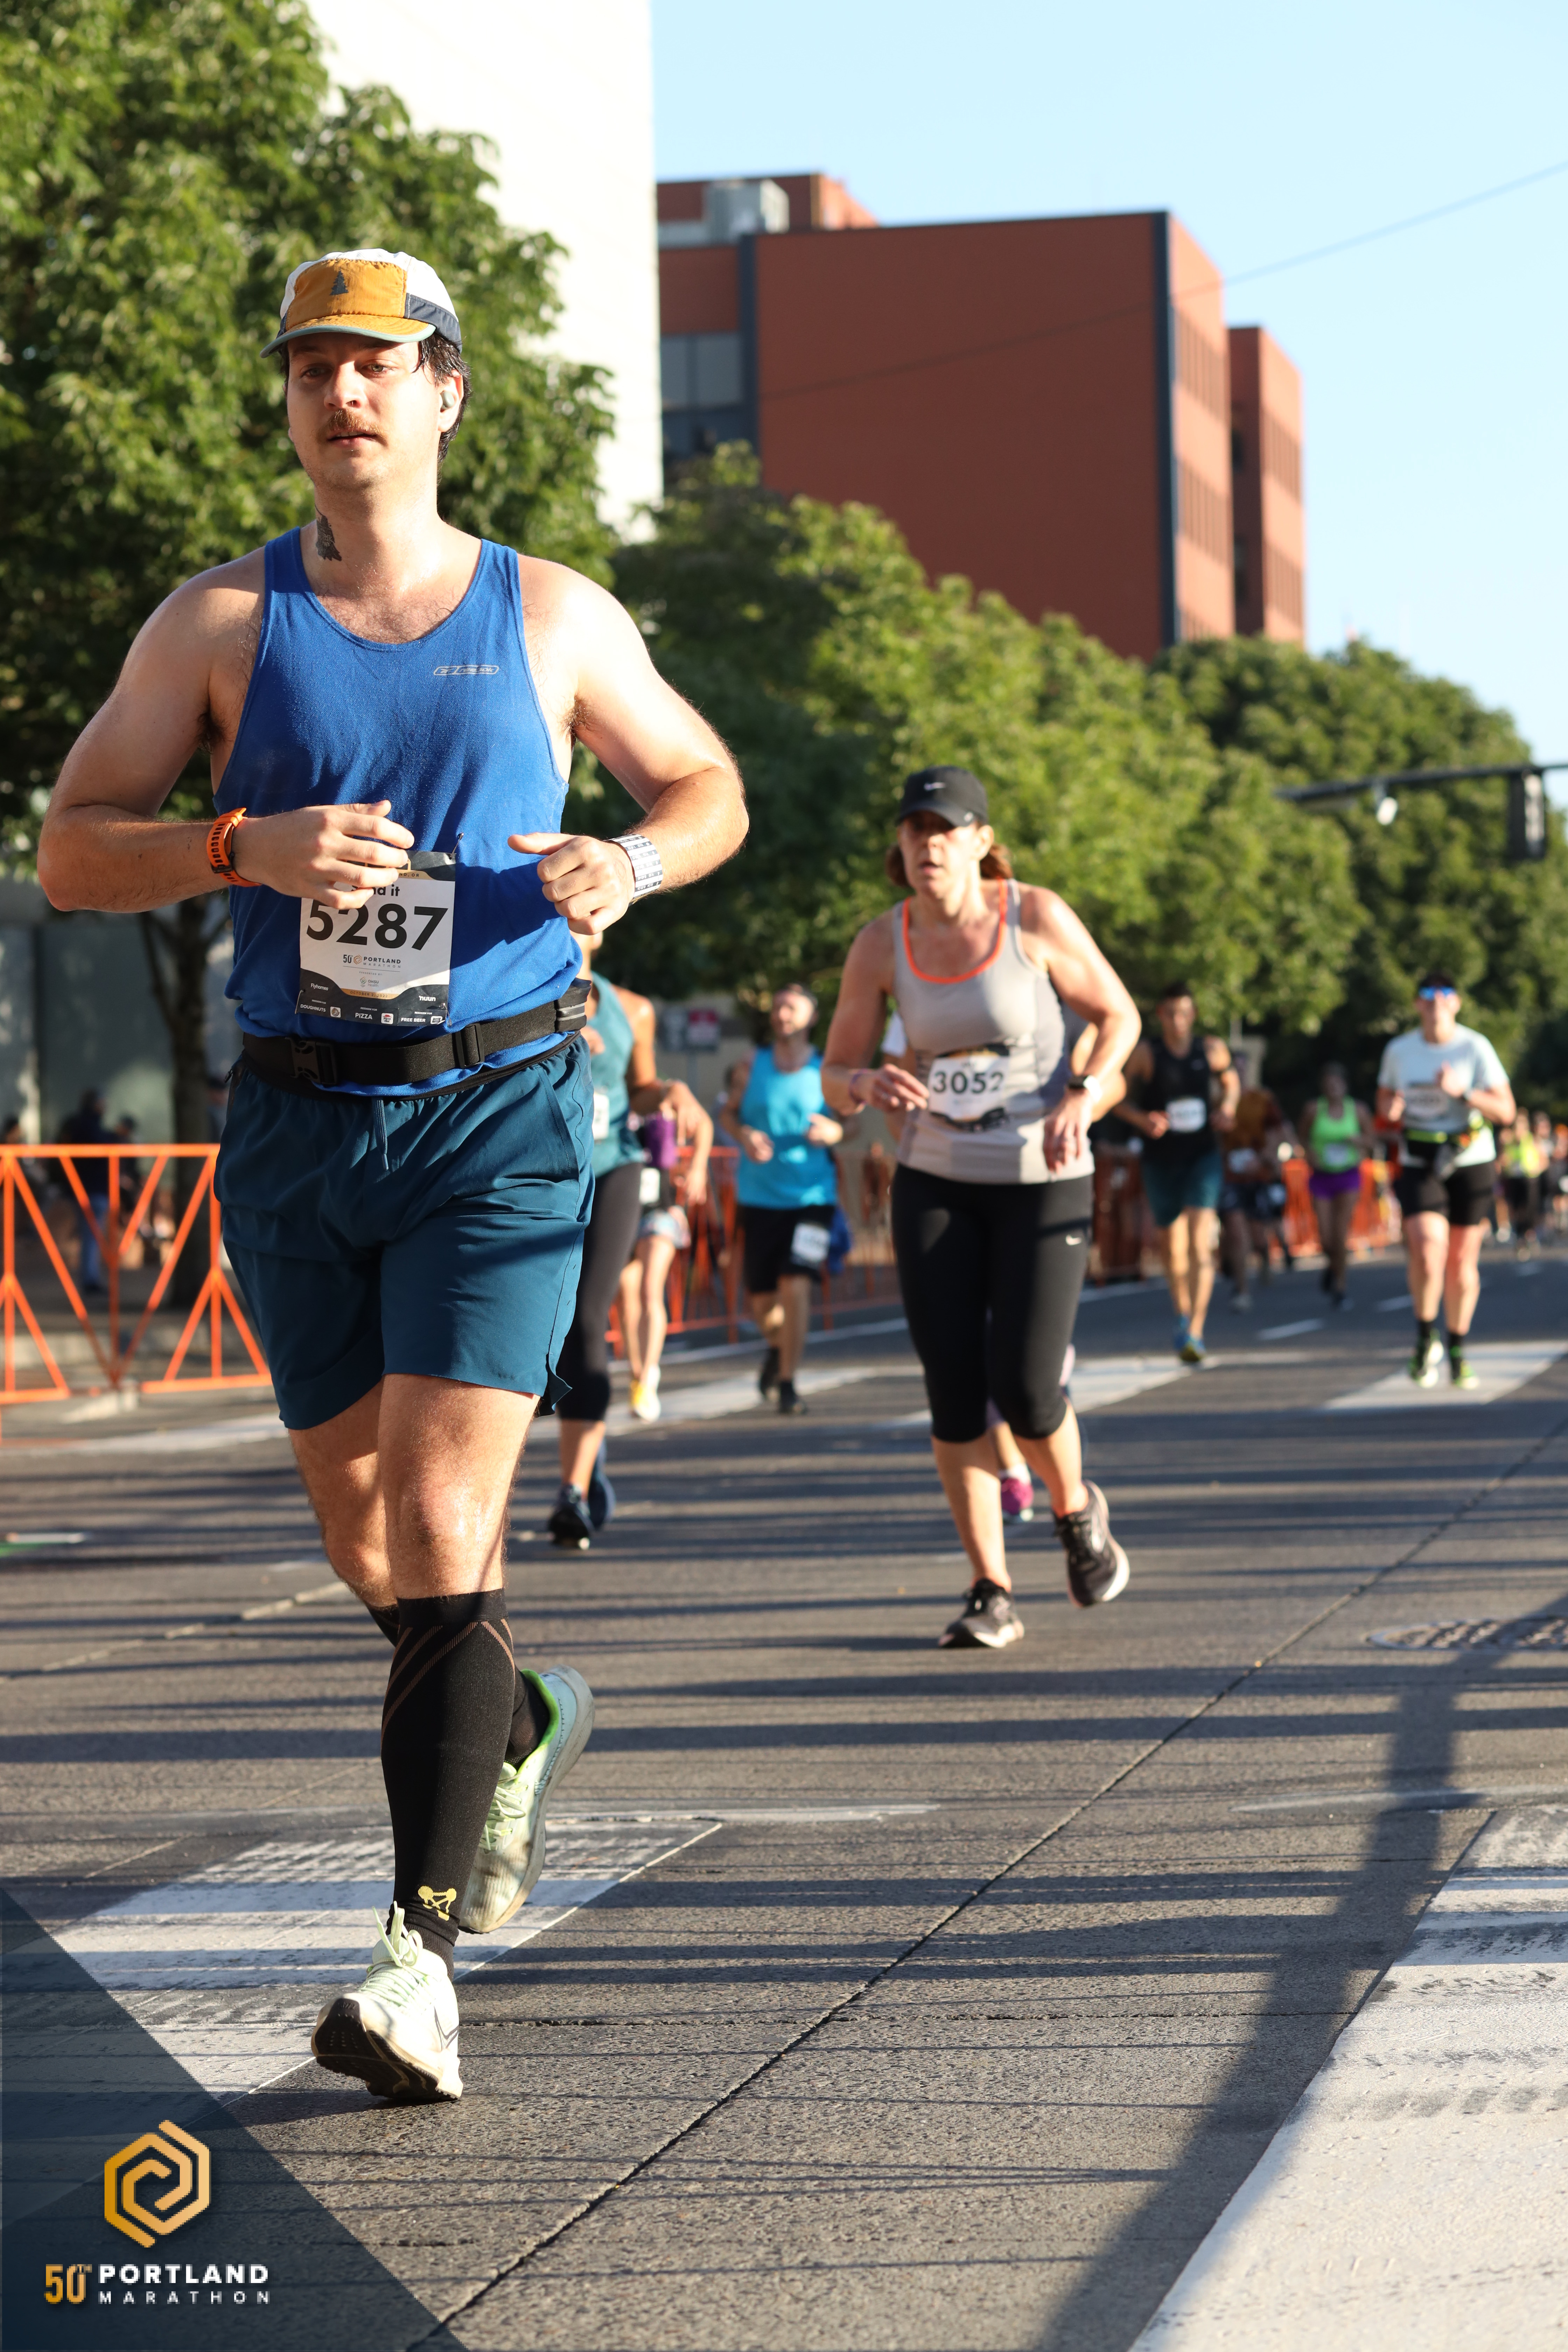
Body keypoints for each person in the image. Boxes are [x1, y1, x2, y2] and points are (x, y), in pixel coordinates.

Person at [38, 245, 747, 2103]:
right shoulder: (218, 623)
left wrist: (629, 864)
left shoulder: (551, 612)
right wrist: (238, 845)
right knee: (369, 1542)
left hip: (499, 1111)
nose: (341, 394)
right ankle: (516, 1711)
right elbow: (71, 852)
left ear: (444, 393)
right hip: (294, 1120)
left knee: (440, 1522)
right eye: (312, 369)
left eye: (378, 364)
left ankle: (415, 1960)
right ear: (288, 404)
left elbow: (706, 788)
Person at [822, 765, 1139, 1649]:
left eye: (945, 829)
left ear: (980, 843)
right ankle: (989, 1589)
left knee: (1027, 1389)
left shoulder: (1034, 916)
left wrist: (1083, 1092)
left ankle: (1076, 1513)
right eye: (913, 829)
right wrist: (863, 1082)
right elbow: (835, 1072)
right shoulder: (880, 943)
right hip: (935, 1177)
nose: (927, 844)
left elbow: (1119, 1017)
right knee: (954, 1391)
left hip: (1042, 1174)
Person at [548, 938, 710, 1543]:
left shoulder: (633, 1009)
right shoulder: (516, 988)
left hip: (613, 1168)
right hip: (533, 1173)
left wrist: (671, 1091)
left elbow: (640, 1088)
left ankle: (572, 1489)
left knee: (588, 1317)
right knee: (528, 1325)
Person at [1376, 972, 1514, 1388]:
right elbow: (1383, 1101)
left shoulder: (1475, 1047)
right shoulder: (1399, 1050)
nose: (1435, 1002)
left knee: (1459, 1263)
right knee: (1426, 1249)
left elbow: (1506, 1111)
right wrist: (1391, 1110)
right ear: (1416, 1004)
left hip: (1468, 1158)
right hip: (1419, 1158)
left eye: (1444, 995)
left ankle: (1457, 1347)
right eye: (1426, 995)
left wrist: (1464, 1092)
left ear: (1456, 1003)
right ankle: (1425, 1337)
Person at [719, 982, 844, 1416]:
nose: (782, 1015)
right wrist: (744, 1134)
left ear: (812, 1017)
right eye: (777, 1008)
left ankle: (788, 1382)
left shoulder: (826, 1069)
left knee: (797, 1283)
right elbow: (728, 1113)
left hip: (813, 1197)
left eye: (791, 1008)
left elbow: (849, 1124)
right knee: (762, 1302)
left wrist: (834, 1131)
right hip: (759, 1197)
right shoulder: (751, 1063)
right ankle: (778, 1349)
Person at [1121, 985, 1239, 1364]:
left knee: (1200, 1244)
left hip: (1202, 1157)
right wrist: (1141, 1118)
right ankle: (1182, 1314)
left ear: (1194, 1015)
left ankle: (1196, 1332)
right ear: (1160, 1015)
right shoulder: (1147, 1054)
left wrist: (1228, 1107)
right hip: (1160, 1159)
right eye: (1170, 1013)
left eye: (1184, 1013)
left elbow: (1231, 1083)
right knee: (1172, 1249)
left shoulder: (1211, 1049)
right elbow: (1117, 1096)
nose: (1177, 1021)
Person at [621, 1094, 712, 1422]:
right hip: (621, 1211)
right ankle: (637, 1376)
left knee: (650, 1289)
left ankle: (648, 1376)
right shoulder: (606, 1092)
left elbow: (704, 1123)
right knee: (626, 1297)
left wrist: (698, 1167)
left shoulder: (660, 1095)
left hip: (660, 1209)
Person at [1300, 1063, 1377, 1307]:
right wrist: (1309, 1153)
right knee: (1326, 1237)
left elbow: (1372, 1140)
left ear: (1345, 1085)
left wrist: (1359, 1141)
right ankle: (1332, 1266)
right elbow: (1302, 1136)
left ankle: (1340, 1286)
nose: (1333, 1088)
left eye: (1337, 1083)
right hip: (1322, 1175)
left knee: (1340, 1233)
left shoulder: (1358, 1110)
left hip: (1348, 1175)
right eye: (1329, 1083)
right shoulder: (1314, 1109)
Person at [1218, 1085, 1292, 1311]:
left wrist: (1266, 1157)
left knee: (1258, 1234)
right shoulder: (1217, 1100)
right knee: (1236, 1233)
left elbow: (1282, 1131)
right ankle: (1242, 1290)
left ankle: (1265, 1256)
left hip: (1259, 1177)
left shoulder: (1262, 1099)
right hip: (1229, 1177)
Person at [58, 1086, 116, 1294]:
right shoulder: (91, 1128)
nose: (105, 1107)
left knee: (89, 1235)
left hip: (82, 1187)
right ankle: (90, 1280)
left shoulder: (78, 1125)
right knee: (91, 1235)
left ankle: (90, 1278)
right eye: (102, 1103)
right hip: (92, 1188)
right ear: (96, 1104)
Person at [1499, 1111, 1545, 1260]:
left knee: (1529, 1208)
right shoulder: (1509, 1142)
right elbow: (1503, 1159)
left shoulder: (1532, 1140)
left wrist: (1536, 1169)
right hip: (1514, 1178)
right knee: (1515, 1209)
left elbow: (1543, 1159)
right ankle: (1520, 1237)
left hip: (1529, 1179)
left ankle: (1529, 1235)